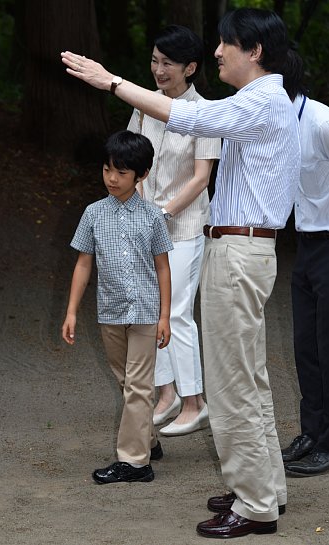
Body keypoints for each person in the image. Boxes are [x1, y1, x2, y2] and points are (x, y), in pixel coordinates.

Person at [61, 6, 300, 538]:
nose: (216, 52)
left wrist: (111, 81)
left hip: (239, 253)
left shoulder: (260, 99)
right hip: (246, 250)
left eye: (224, 44)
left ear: (254, 51)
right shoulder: (264, 100)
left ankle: (255, 503)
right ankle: (266, 488)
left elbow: (187, 118)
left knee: (234, 381)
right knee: (251, 379)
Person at [62, 130, 173, 484]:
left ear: (141, 175)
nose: (112, 178)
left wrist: (165, 315)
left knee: (139, 386)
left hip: (144, 313)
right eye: (108, 169)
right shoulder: (93, 213)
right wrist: (72, 311)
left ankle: (134, 462)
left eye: (122, 172)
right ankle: (148, 439)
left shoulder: (153, 217)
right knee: (128, 383)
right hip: (110, 312)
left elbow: (162, 267)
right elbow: (83, 263)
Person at [127, 25, 221, 436]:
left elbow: (201, 177)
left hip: (184, 226)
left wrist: (161, 212)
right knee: (151, 311)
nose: (158, 70)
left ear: (191, 68)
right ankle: (165, 395)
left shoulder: (205, 113)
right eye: (154, 60)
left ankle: (195, 402)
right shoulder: (145, 105)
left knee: (177, 311)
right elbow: (133, 157)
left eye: (167, 63)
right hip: (147, 223)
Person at [280, 51, 329, 476]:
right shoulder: (277, 124)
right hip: (305, 245)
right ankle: (313, 431)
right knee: (306, 346)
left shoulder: (324, 123)